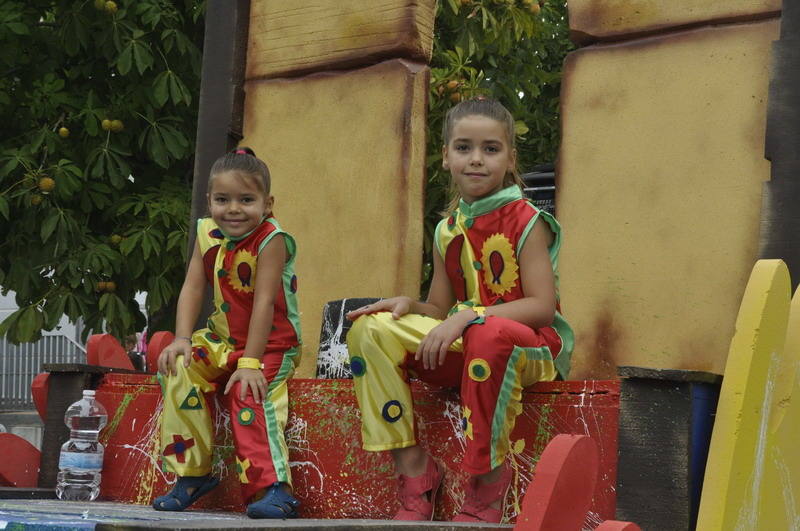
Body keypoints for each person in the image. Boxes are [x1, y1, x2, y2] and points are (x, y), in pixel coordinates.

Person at [345, 98, 573, 523]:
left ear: (510, 159)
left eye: (491, 149)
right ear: (446, 156)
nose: (476, 159)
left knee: (487, 334)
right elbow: (439, 308)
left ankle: (488, 482)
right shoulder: (447, 230)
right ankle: (415, 470)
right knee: (370, 329)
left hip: (531, 350)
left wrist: (472, 315)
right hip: (473, 345)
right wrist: (408, 305)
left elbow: (542, 308)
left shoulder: (527, 221)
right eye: (464, 147)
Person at [152, 147, 302, 519]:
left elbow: (264, 302)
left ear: (267, 204)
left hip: (270, 346)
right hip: (222, 341)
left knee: (249, 392)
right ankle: (192, 474)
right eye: (223, 200)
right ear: (210, 201)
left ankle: (275, 489)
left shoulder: (272, 239)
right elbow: (193, 286)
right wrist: (182, 338)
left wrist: (250, 363)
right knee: (179, 367)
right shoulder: (207, 233)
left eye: (246, 200)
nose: (233, 209)